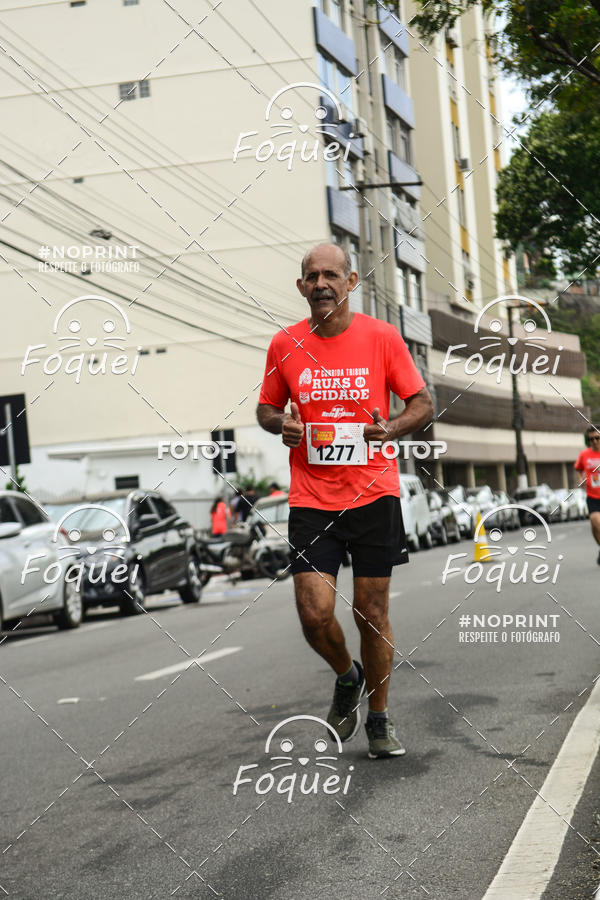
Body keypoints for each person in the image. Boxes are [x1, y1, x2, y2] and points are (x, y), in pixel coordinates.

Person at [256, 242, 433, 759]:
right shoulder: (284, 344)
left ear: (351, 282)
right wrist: (282, 425)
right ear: (301, 287)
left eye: (331, 275)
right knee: (314, 614)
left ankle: (379, 719)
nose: (321, 284)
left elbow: (420, 402)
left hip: (374, 494)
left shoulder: (382, 338)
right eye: (311, 277)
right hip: (312, 498)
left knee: (371, 613)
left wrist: (392, 429)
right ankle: (346, 675)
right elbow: (266, 410)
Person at [574, 425, 600, 564]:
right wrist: (580, 478)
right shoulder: (584, 455)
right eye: (591, 439)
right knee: (595, 524)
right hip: (593, 496)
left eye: (597, 438)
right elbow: (578, 469)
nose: (594, 441)